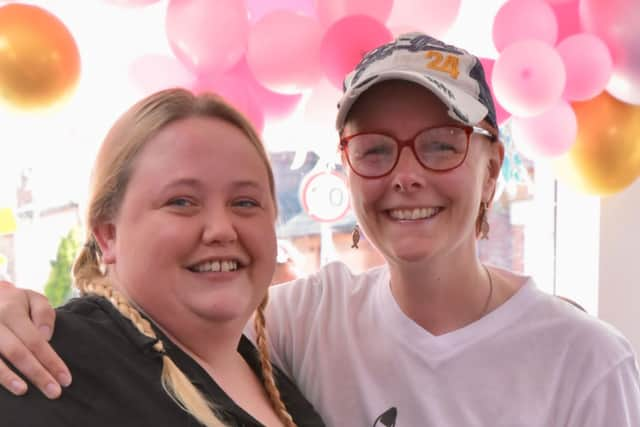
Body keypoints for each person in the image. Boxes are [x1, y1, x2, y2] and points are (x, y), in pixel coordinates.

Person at [1, 32, 639, 426]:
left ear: (491, 166)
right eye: (376, 149)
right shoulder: (302, 319)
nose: (406, 175)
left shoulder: (586, 363)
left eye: (442, 146)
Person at [0, 88, 324, 426]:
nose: (221, 230)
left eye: (245, 202)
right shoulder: (49, 361)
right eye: (181, 201)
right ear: (108, 233)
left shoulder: (275, 376)